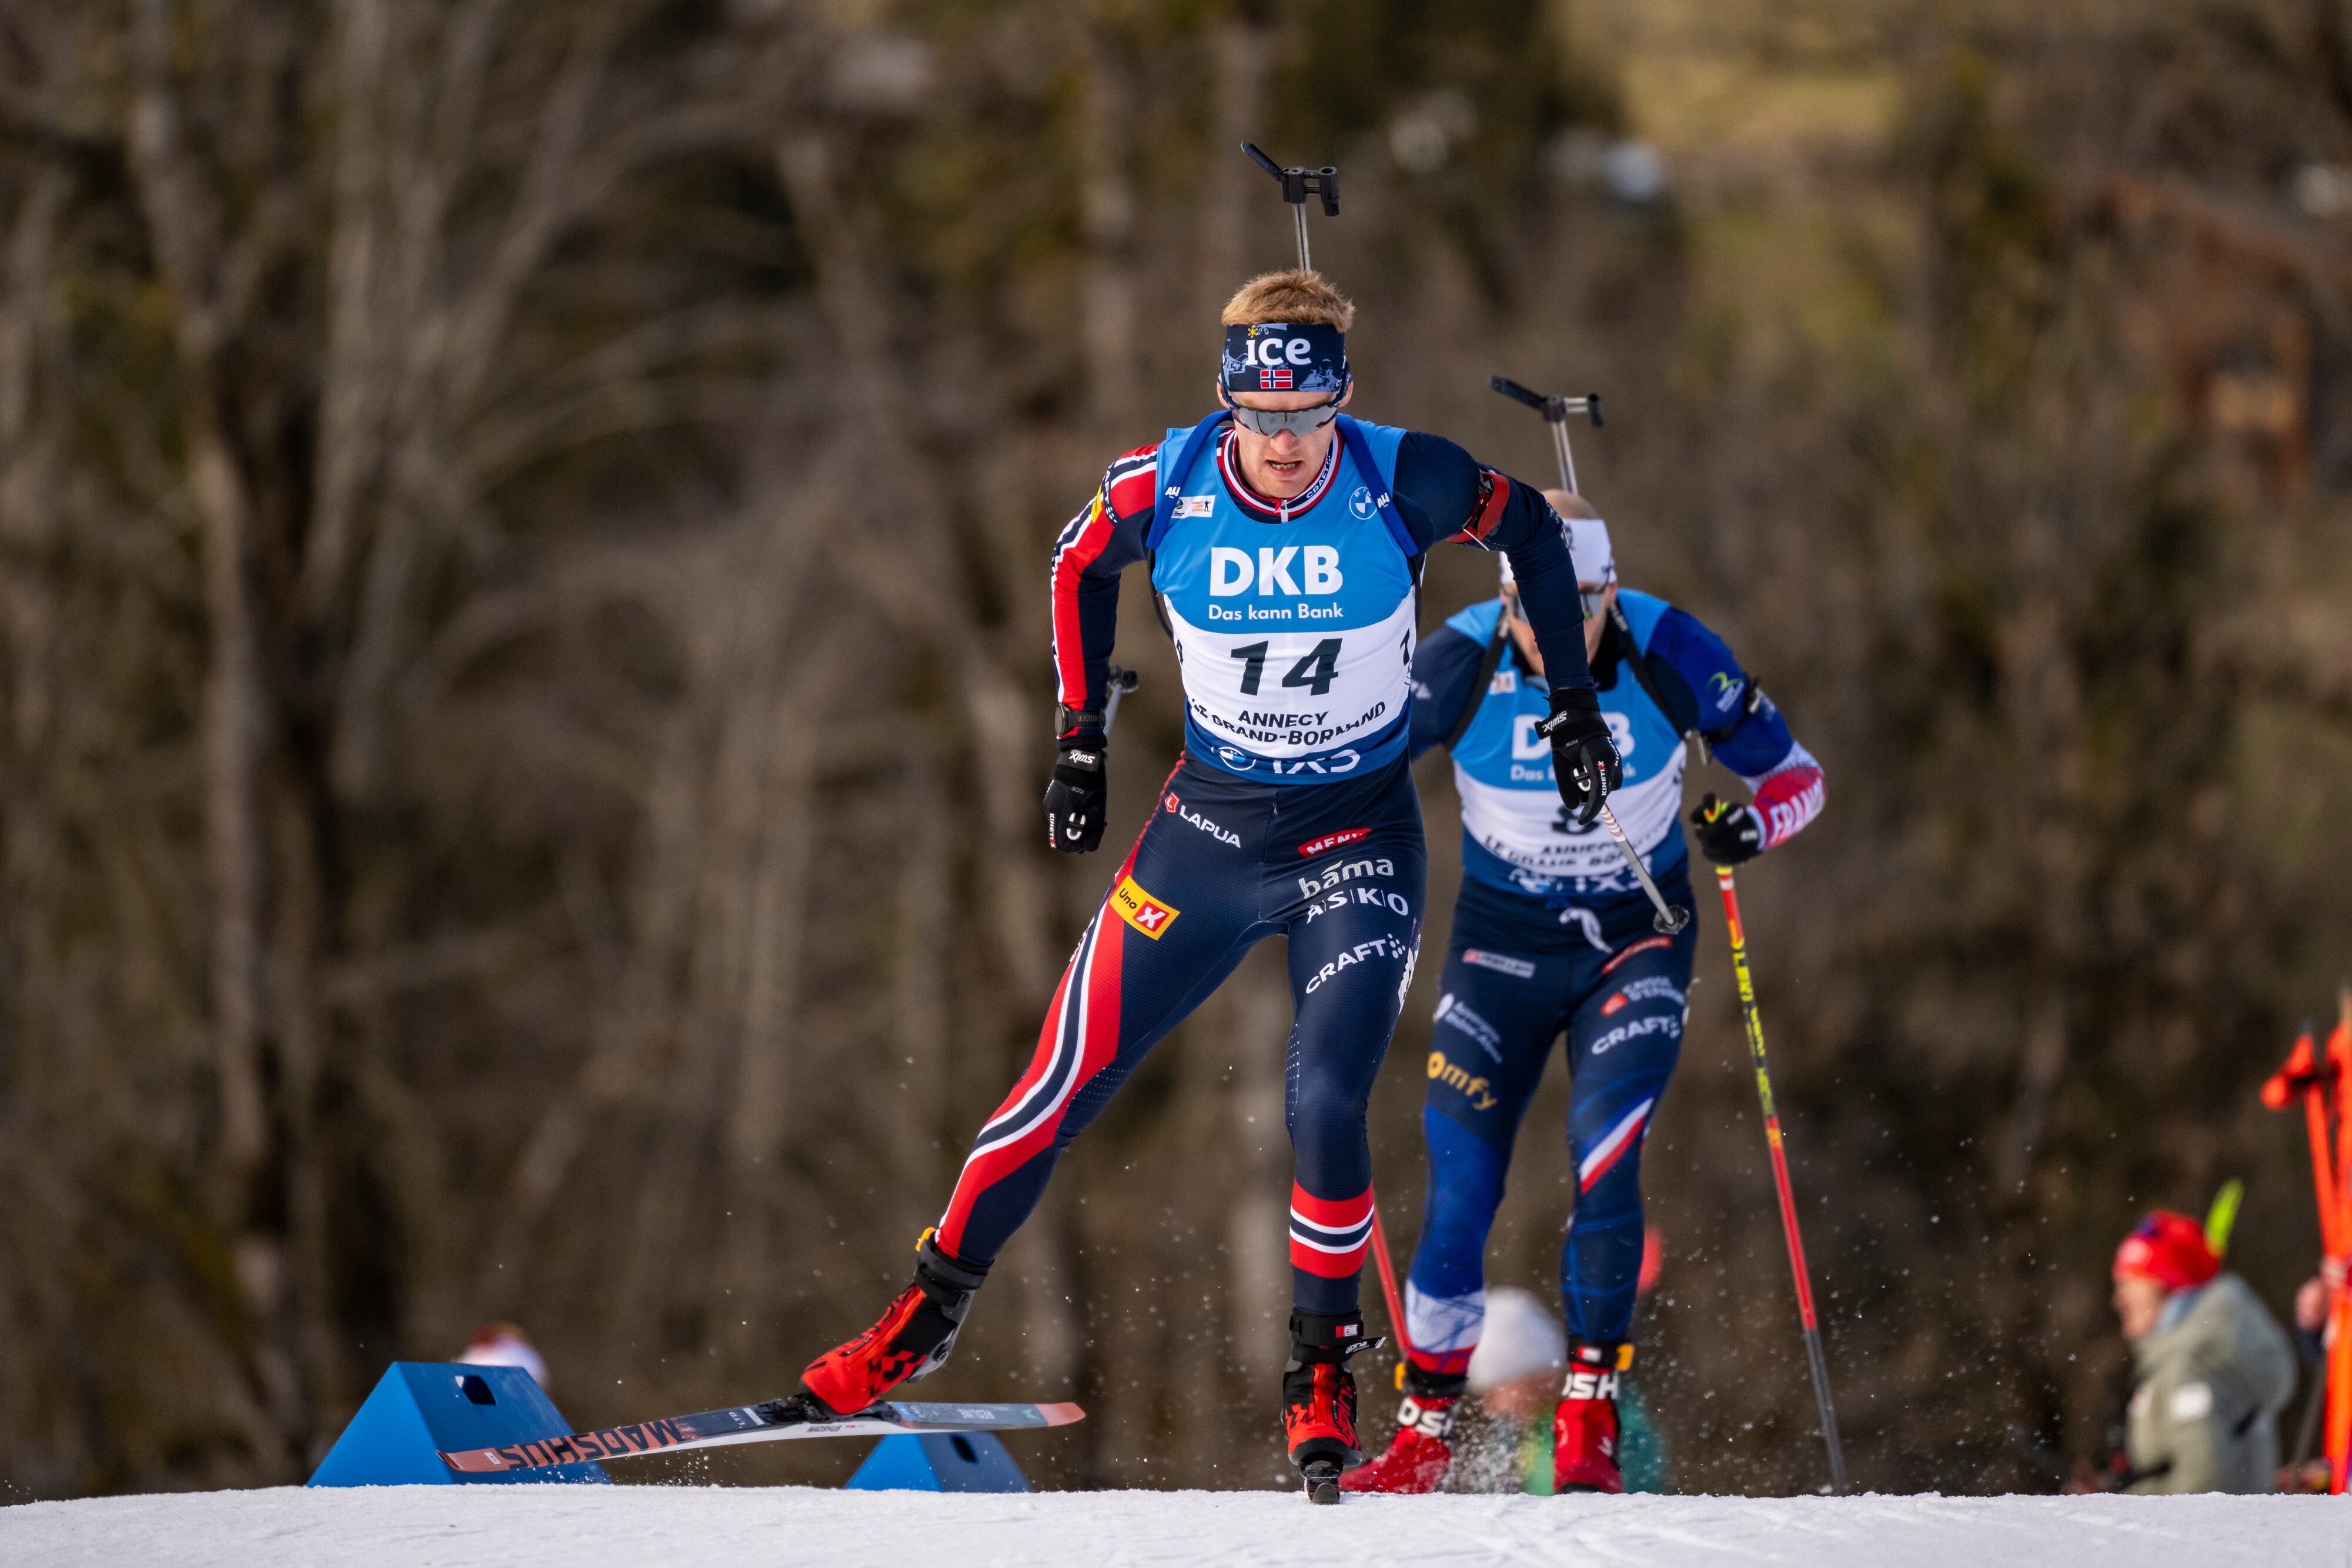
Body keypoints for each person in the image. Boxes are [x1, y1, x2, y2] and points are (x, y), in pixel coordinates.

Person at [785, 269, 1623, 1496]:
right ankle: (925, 1313)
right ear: (1224, 403)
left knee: (1327, 1099)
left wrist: (1571, 703)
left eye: (1304, 418)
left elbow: (1533, 534)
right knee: (1056, 1076)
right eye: (1257, 418)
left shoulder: (1405, 474)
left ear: (1340, 401)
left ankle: (1319, 1361)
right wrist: (1078, 733)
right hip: (1209, 834)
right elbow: (1075, 563)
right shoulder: (1163, 481)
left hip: (1357, 837)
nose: (1281, 446)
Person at [1344, 498, 1823, 1495]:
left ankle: (1591, 1419)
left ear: (1608, 591)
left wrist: (1756, 828)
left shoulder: (1669, 648)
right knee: (1462, 1189)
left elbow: (1796, 773)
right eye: (1529, 610)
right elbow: (1350, 776)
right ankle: (1425, 1431)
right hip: (1501, 949)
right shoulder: (1460, 660)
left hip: (1634, 943)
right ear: (1507, 597)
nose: (1550, 634)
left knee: (1604, 1163)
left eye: (1579, 608)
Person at [2108, 1210, 2294, 1494]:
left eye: (2131, 1284)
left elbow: (2203, 1490)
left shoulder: (2189, 1369)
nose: (2118, 1301)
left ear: (2166, 1287)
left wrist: (2115, 1512)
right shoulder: (2200, 1354)